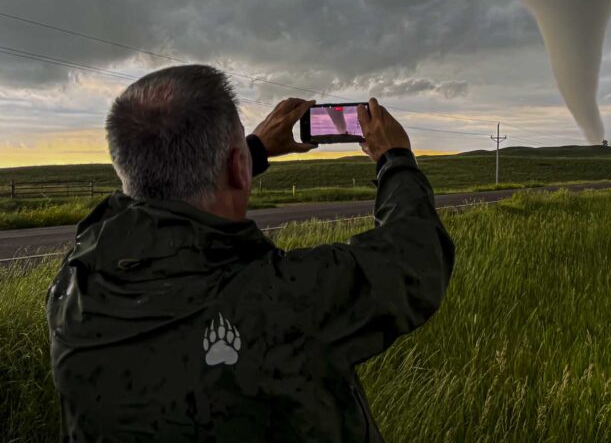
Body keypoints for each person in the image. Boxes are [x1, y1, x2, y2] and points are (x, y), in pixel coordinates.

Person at [46, 65, 456, 442]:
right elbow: (416, 256)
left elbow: (117, 214)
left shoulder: (75, 282)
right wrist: (395, 159)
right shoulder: (279, 299)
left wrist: (252, 149)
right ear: (237, 168)